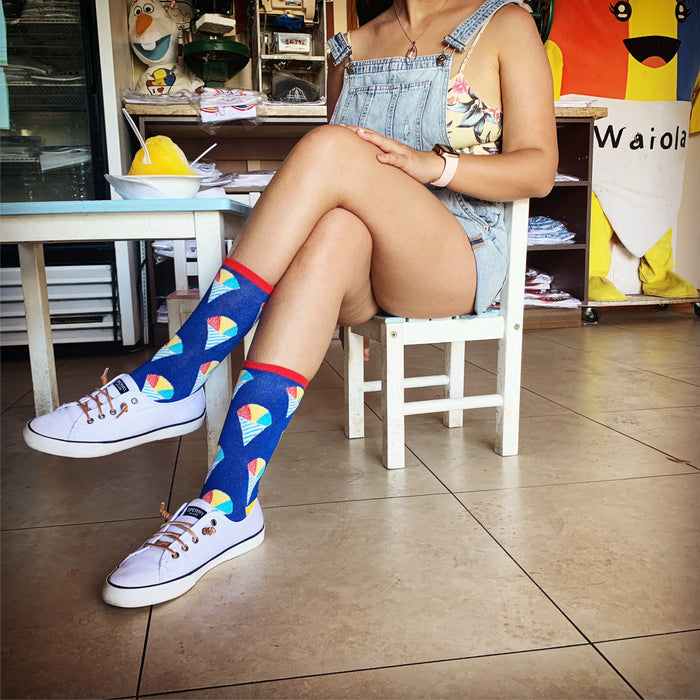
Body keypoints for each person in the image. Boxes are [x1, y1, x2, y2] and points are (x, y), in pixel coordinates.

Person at [22, 0, 557, 608]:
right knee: (330, 230)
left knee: (331, 148)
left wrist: (434, 166)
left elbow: (539, 169)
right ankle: (229, 504)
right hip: (365, 264)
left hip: (456, 252)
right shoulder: (352, 46)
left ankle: (177, 375)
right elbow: (345, 193)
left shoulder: (503, 22)